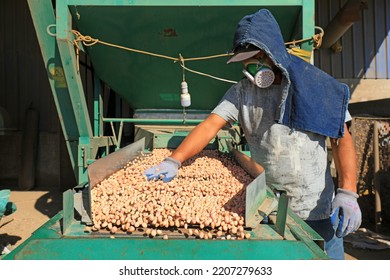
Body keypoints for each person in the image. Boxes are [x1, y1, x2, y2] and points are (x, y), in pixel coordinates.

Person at [144, 9, 361, 260]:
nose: (249, 66)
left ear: (273, 54)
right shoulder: (242, 92)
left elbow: (341, 138)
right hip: (266, 206)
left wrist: (348, 192)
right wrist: (175, 159)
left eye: (255, 58)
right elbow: (210, 126)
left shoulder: (318, 86)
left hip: (316, 212)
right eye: (245, 60)